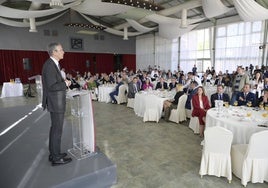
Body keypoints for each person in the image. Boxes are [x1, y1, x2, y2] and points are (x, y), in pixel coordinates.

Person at [42, 42, 72, 166]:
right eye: (61, 50)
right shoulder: (50, 65)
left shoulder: (54, 64)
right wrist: (65, 84)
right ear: (54, 52)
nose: (63, 52)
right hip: (56, 103)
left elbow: (54, 82)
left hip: (56, 102)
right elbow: (51, 86)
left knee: (55, 129)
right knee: (57, 130)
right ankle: (56, 158)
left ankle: (54, 153)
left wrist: (62, 82)